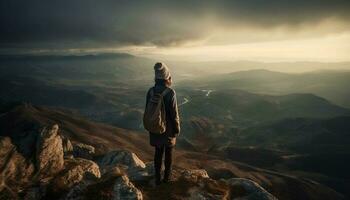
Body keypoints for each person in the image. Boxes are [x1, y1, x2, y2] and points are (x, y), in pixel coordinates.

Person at [145, 62, 180, 185]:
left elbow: (147, 111)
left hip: (155, 127)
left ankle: (157, 178)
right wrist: (176, 129)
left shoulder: (150, 92)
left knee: (158, 152)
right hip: (168, 129)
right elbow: (174, 114)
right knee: (168, 152)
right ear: (167, 78)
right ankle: (167, 178)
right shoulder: (170, 93)